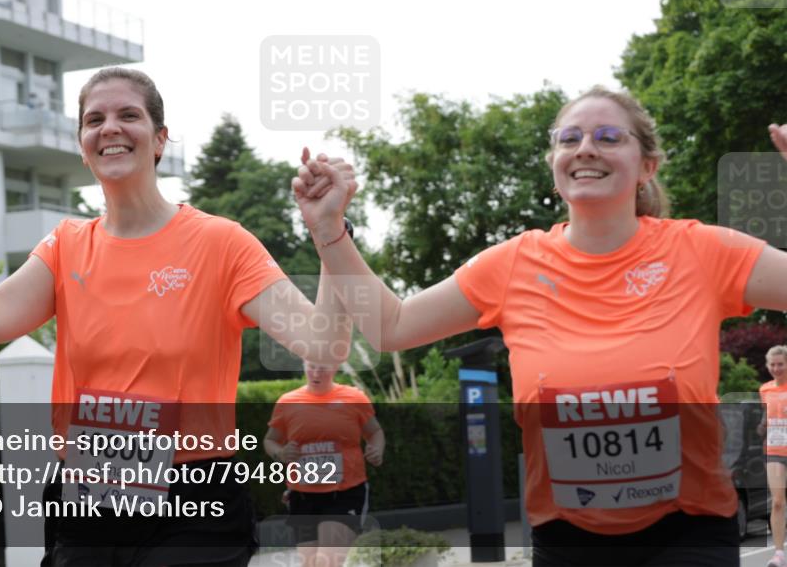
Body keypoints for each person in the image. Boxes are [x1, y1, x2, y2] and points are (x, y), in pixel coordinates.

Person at [293, 86, 787, 566]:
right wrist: (329, 230)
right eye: (568, 139)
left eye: (610, 137)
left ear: (647, 166)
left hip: (689, 532)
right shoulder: (513, 264)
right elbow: (389, 327)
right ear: (555, 164)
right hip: (566, 538)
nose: (586, 149)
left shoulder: (702, 252)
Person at [0, 67, 354, 567]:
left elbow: (324, 345)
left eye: (128, 115)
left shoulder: (220, 243)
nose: (110, 128)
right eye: (94, 119)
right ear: (81, 144)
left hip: (195, 503)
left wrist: (330, 233)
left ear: (160, 139)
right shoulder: (65, 245)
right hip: (87, 496)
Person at [264, 360, 384, 567]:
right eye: (311, 366)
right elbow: (270, 440)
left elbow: (375, 432)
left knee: (326, 563)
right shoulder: (288, 401)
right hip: (303, 496)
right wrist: (281, 453)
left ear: (335, 366)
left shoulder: (354, 398)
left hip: (344, 493)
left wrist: (377, 449)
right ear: (303, 366)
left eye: (323, 366)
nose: (316, 372)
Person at [760, 345, 787, 567]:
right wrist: (762, 426)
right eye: (772, 364)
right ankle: (779, 553)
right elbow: (764, 419)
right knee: (777, 502)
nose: (776, 368)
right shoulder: (765, 390)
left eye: (781, 364)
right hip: (775, 451)